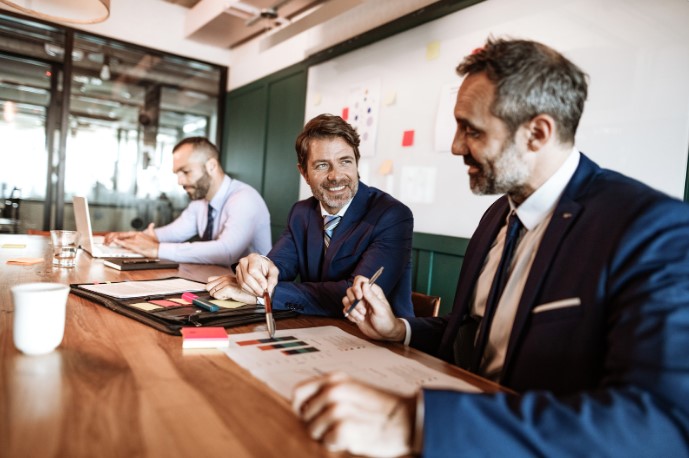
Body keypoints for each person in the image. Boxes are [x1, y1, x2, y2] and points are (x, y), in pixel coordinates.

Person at [291, 38, 689, 456]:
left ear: (537, 132)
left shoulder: (650, 229)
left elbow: (661, 424)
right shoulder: (498, 214)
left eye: (472, 129)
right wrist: (399, 329)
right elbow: (476, 336)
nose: (456, 146)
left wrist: (412, 422)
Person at [206, 114, 415, 317]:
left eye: (345, 161)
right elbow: (278, 266)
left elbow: (355, 296)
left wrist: (263, 295)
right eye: (322, 165)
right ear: (304, 173)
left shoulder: (392, 216)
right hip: (316, 330)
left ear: (356, 163)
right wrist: (259, 269)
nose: (336, 176)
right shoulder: (301, 212)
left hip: (380, 342)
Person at [105, 137, 271, 266]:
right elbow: (173, 233)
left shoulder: (244, 199)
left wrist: (157, 249)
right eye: (177, 174)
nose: (180, 181)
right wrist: (135, 238)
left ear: (211, 166)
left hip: (253, 298)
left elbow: (226, 252)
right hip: (219, 285)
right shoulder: (200, 203)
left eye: (185, 171)